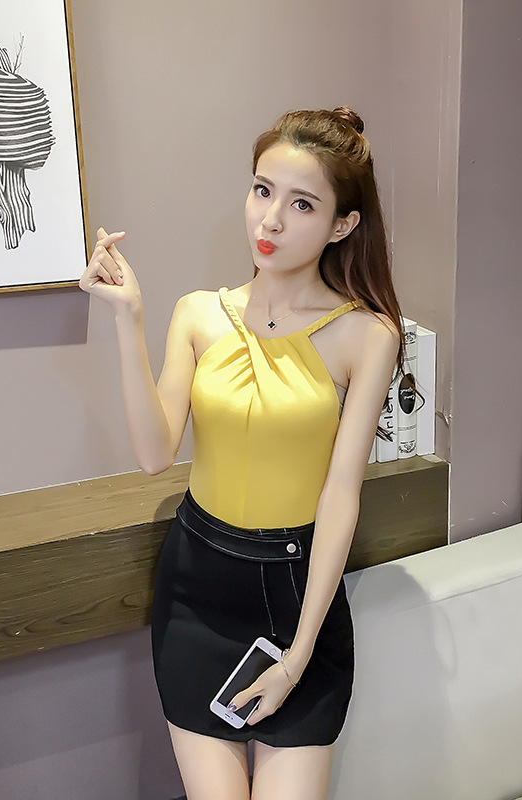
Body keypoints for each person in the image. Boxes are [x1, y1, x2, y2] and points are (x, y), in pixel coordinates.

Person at [79, 107, 403, 800]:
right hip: (198, 590)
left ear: (342, 224)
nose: (271, 220)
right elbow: (154, 454)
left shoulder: (366, 335)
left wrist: (300, 654)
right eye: (262, 190)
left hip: (298, 598)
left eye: (302, 204)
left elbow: (340, 496)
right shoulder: (198, 314)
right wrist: (127, 318)